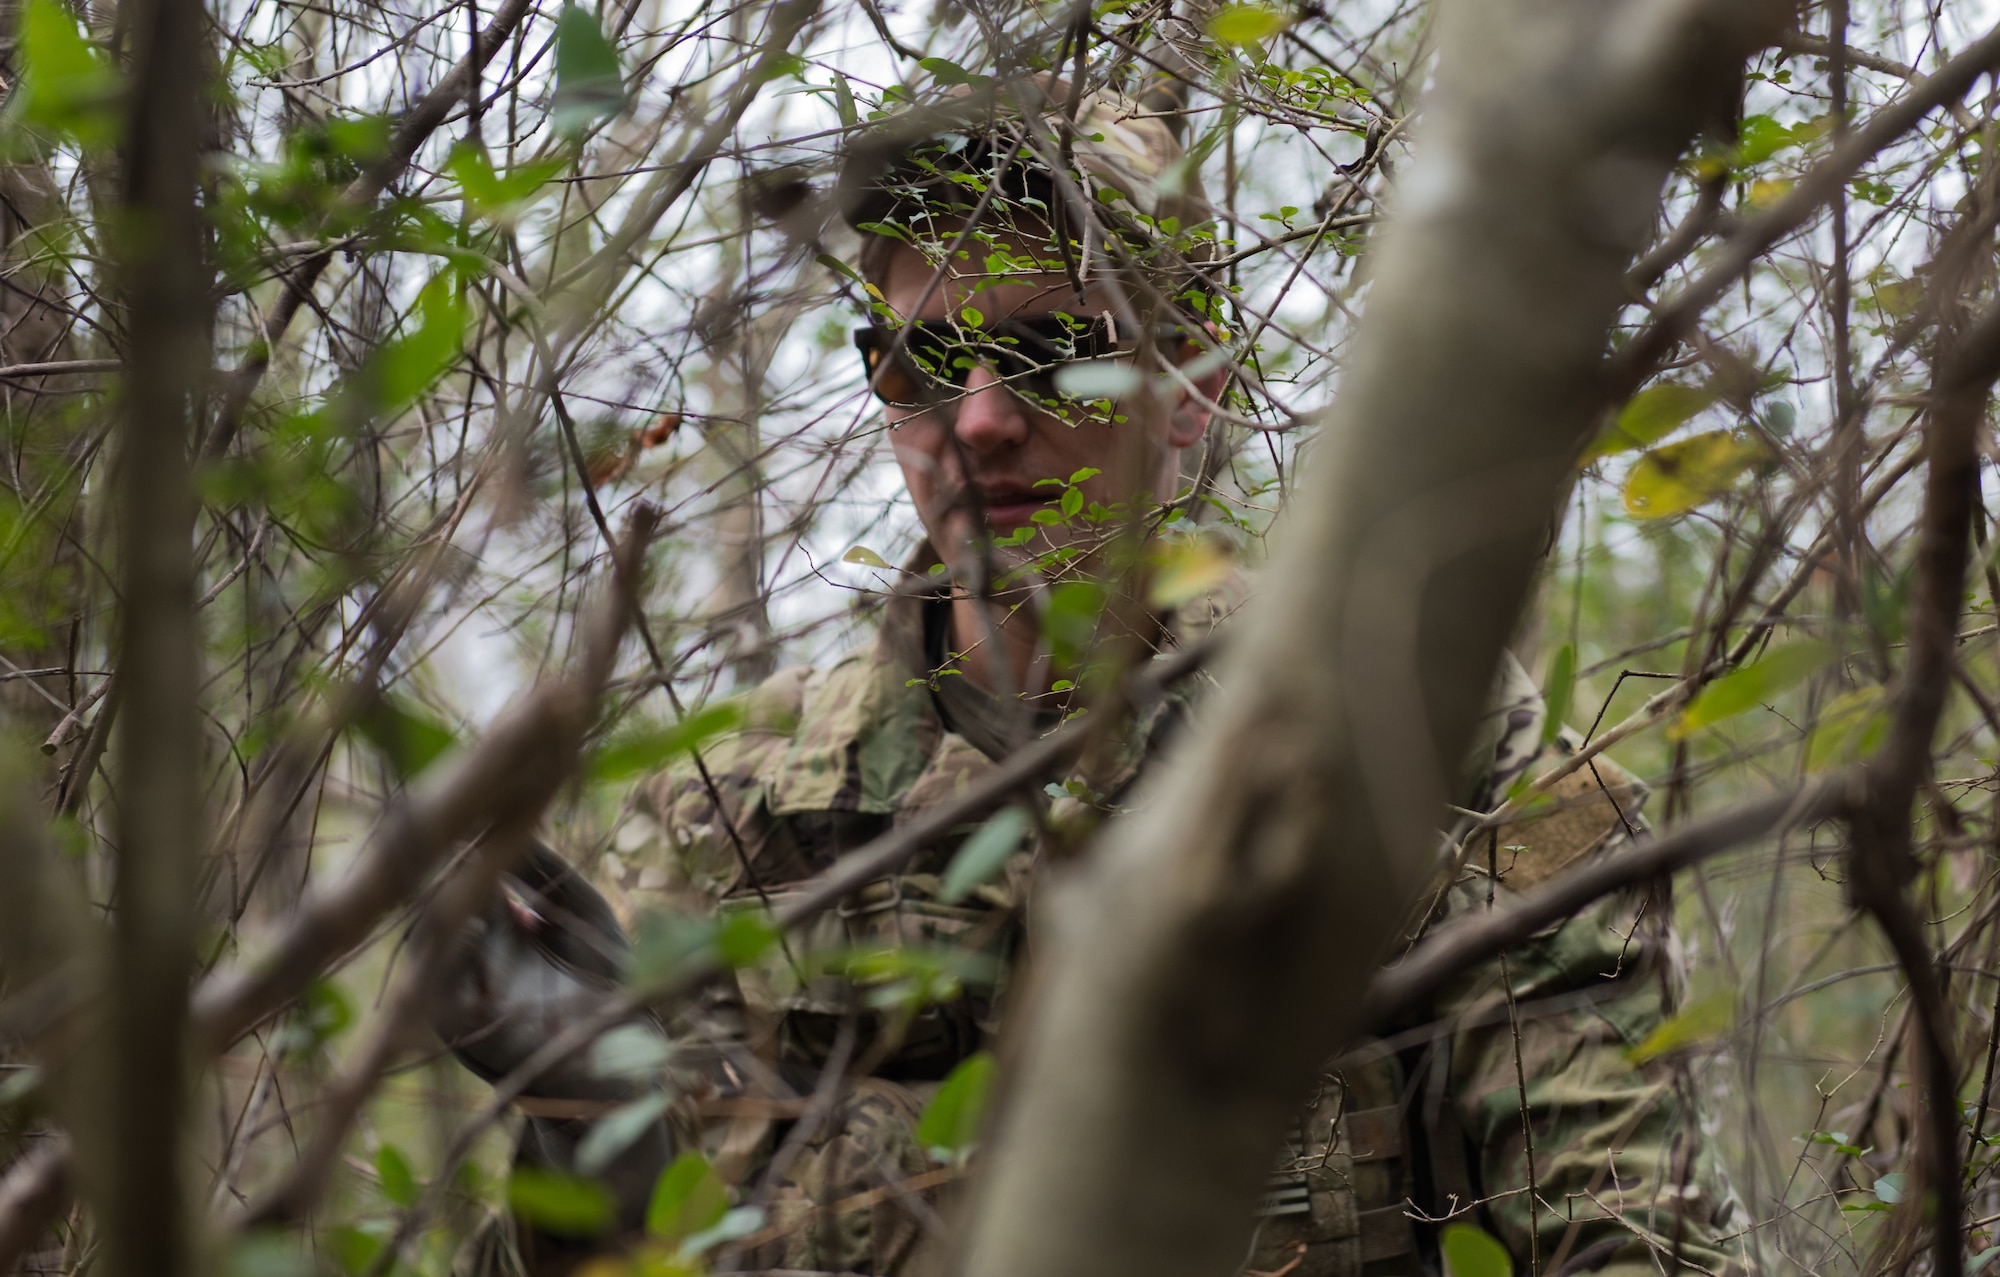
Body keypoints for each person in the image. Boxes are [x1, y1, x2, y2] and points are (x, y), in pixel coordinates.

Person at [441, 78, 1749, 1277]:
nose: (986, 417)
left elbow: (1635, 1232)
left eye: (1063, 349)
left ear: (1194, 390)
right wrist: (586, 1123)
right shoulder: (725, 816)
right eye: (927, 361)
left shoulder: (1421, 750)